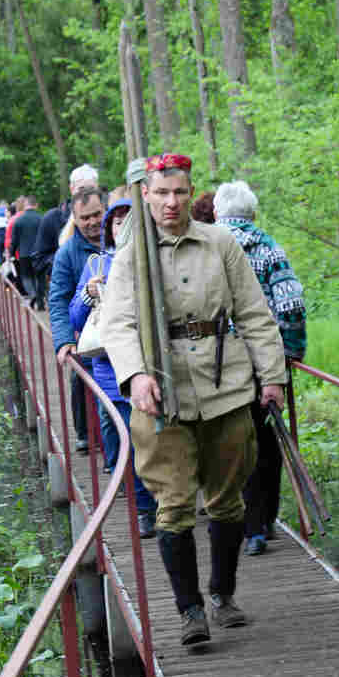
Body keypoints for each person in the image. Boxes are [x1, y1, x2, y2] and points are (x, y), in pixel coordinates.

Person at [100, 154, 288, 646]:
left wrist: (272, 377)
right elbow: (115, 323)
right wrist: (135, 376)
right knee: (174, 505)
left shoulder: (221, 243)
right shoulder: (132, 255)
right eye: (161, 193)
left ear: (190, 192)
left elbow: (254, 313)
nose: (171, 202)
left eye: (180, 192)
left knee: (228, 502)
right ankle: (190, 611)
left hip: (225, 388)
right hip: (163, 396)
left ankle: (223, 595)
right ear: (146, 194)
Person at [214, 180, 308, 556]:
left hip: (221, 360)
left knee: (234, 440)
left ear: (219, 212)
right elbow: (291, 302)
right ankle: (265, 520)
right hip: (267, 359)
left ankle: (248, 527)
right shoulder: (269, 247)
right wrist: (293, 352)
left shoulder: (208, 246)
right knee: (268, 437)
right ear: (252, 213)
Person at [67, 195, 159, 538]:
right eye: (117, 221)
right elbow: (76, 317)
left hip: (155, 366)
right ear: (109, 229)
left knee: (161, 440)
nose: (123, 227)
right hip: (112, 371)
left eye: (129, 219)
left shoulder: (154, 260)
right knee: (130, 442)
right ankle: (144, 510)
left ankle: (167, 499)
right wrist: (89, 295)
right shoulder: (96, 265)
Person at [51, 187, 107, 453]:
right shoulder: (67, 253)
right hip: (89, 332)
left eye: (97, 214)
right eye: (85, 218)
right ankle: (84, 433)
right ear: (75, 219)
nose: (93, 222)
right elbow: (58, 299)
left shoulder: (121, 237)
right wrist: (63, 340)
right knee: (81, 378)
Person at [34, 164, 100, 314]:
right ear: (72, 189)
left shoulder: (109, 217)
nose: (86, 195)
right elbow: (38, 260)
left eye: (91, 190)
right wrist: (64, 264)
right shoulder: (53, 218)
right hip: (69, 297)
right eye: (82, 189)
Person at [8, 196, 43, 305]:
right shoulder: (41, 219)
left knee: (26, 277)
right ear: (36, 205)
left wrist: (11, 254)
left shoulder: (18, 221)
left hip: (23, 254)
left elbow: (14, 240)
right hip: (38, 253)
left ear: (25, 206)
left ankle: (32, 295)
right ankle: (39, 300)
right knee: (38, 276)